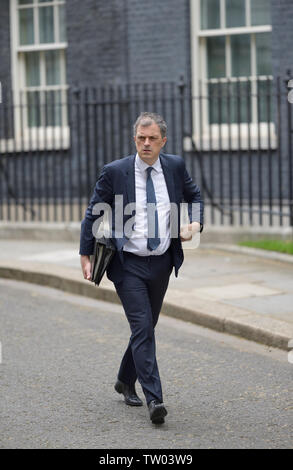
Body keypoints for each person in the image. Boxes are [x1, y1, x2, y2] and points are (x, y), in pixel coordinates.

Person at [80, 112, 204, 425]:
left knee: (147, 326)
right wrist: (85, 254)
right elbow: (93, 213)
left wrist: (194, 223)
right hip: (127, 264)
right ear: (135, 138)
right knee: (143, 328)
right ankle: (155, 399)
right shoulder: (116, 171)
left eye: (152, 139)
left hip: (162, 261)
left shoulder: (174, 166)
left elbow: (195, 196)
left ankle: (124, 378)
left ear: (163, 141)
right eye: (140, 138)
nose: (145, 144)